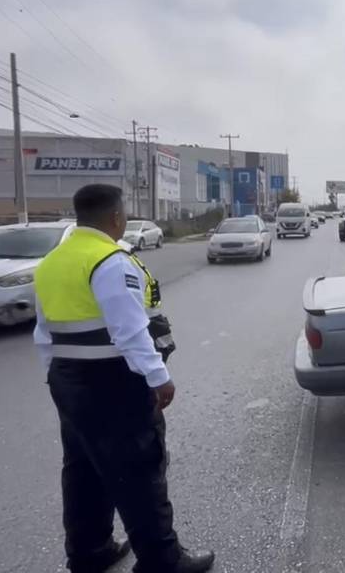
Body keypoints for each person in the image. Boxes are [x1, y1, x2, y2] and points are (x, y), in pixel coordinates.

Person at [34, 184, 213, 573]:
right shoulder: (110, 260)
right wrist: (157, 376)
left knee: (82, 469)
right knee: (138, 468)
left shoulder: (52, 261)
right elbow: (129, 329)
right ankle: (162, 561)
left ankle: (89, 551)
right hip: (112, 380)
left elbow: (44, 330)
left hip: (67, 379)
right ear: (116, 217)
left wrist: (53, 372)